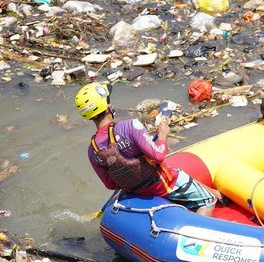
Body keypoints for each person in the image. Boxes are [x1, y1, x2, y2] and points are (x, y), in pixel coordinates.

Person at [74, 82, 222, 216]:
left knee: (181, 173)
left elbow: (110, 184)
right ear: (107, 107)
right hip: (161, 183)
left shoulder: (92, 150)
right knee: (208, 200)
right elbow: (158, 156)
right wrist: (162, 136)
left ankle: (218, 194)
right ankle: (195, 232)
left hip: (136, 190)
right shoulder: (130, 126)